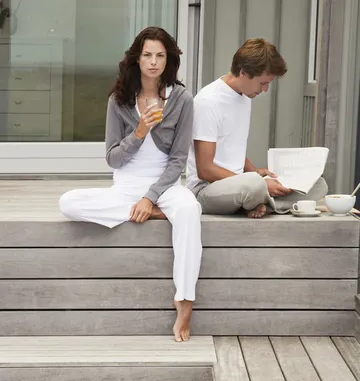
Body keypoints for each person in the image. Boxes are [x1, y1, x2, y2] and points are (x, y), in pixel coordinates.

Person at [59, 27, 202, 342]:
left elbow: (178, 161)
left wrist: (151, 198)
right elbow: (112, 159)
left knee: (190, 209)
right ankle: (145, 211)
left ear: (169, 59)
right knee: (67, 202)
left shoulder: (182, 99)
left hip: (164, 184)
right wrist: (138, 132)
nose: (153, 62)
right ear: (137, 58)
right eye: (147, 55)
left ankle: (185, 300)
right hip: (126, 184)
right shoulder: (119, 100)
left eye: (160, 55)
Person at [186, 38, 327, 217]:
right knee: (253, 186)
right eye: (263, 83)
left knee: (318, 184)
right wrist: (258, 182)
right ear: (243, 73)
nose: (266, 89)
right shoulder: (208, 102)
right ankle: (259, 201)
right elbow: (205, 169)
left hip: (238, 184)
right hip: (206, 190)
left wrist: (256, 172)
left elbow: (229, 146)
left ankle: (257, 203)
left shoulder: (244, 96)